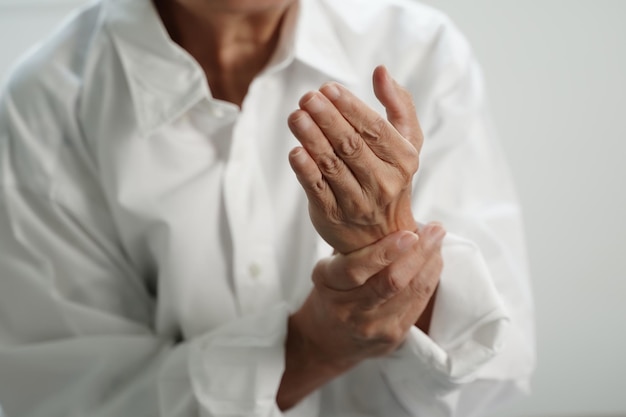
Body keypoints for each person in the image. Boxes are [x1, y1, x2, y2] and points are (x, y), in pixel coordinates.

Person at [0, 0, 535, 415]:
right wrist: (309, 347)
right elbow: (63, 396)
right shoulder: (46, 103)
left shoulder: (419, 50)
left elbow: (496, 368)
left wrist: (388, 253)